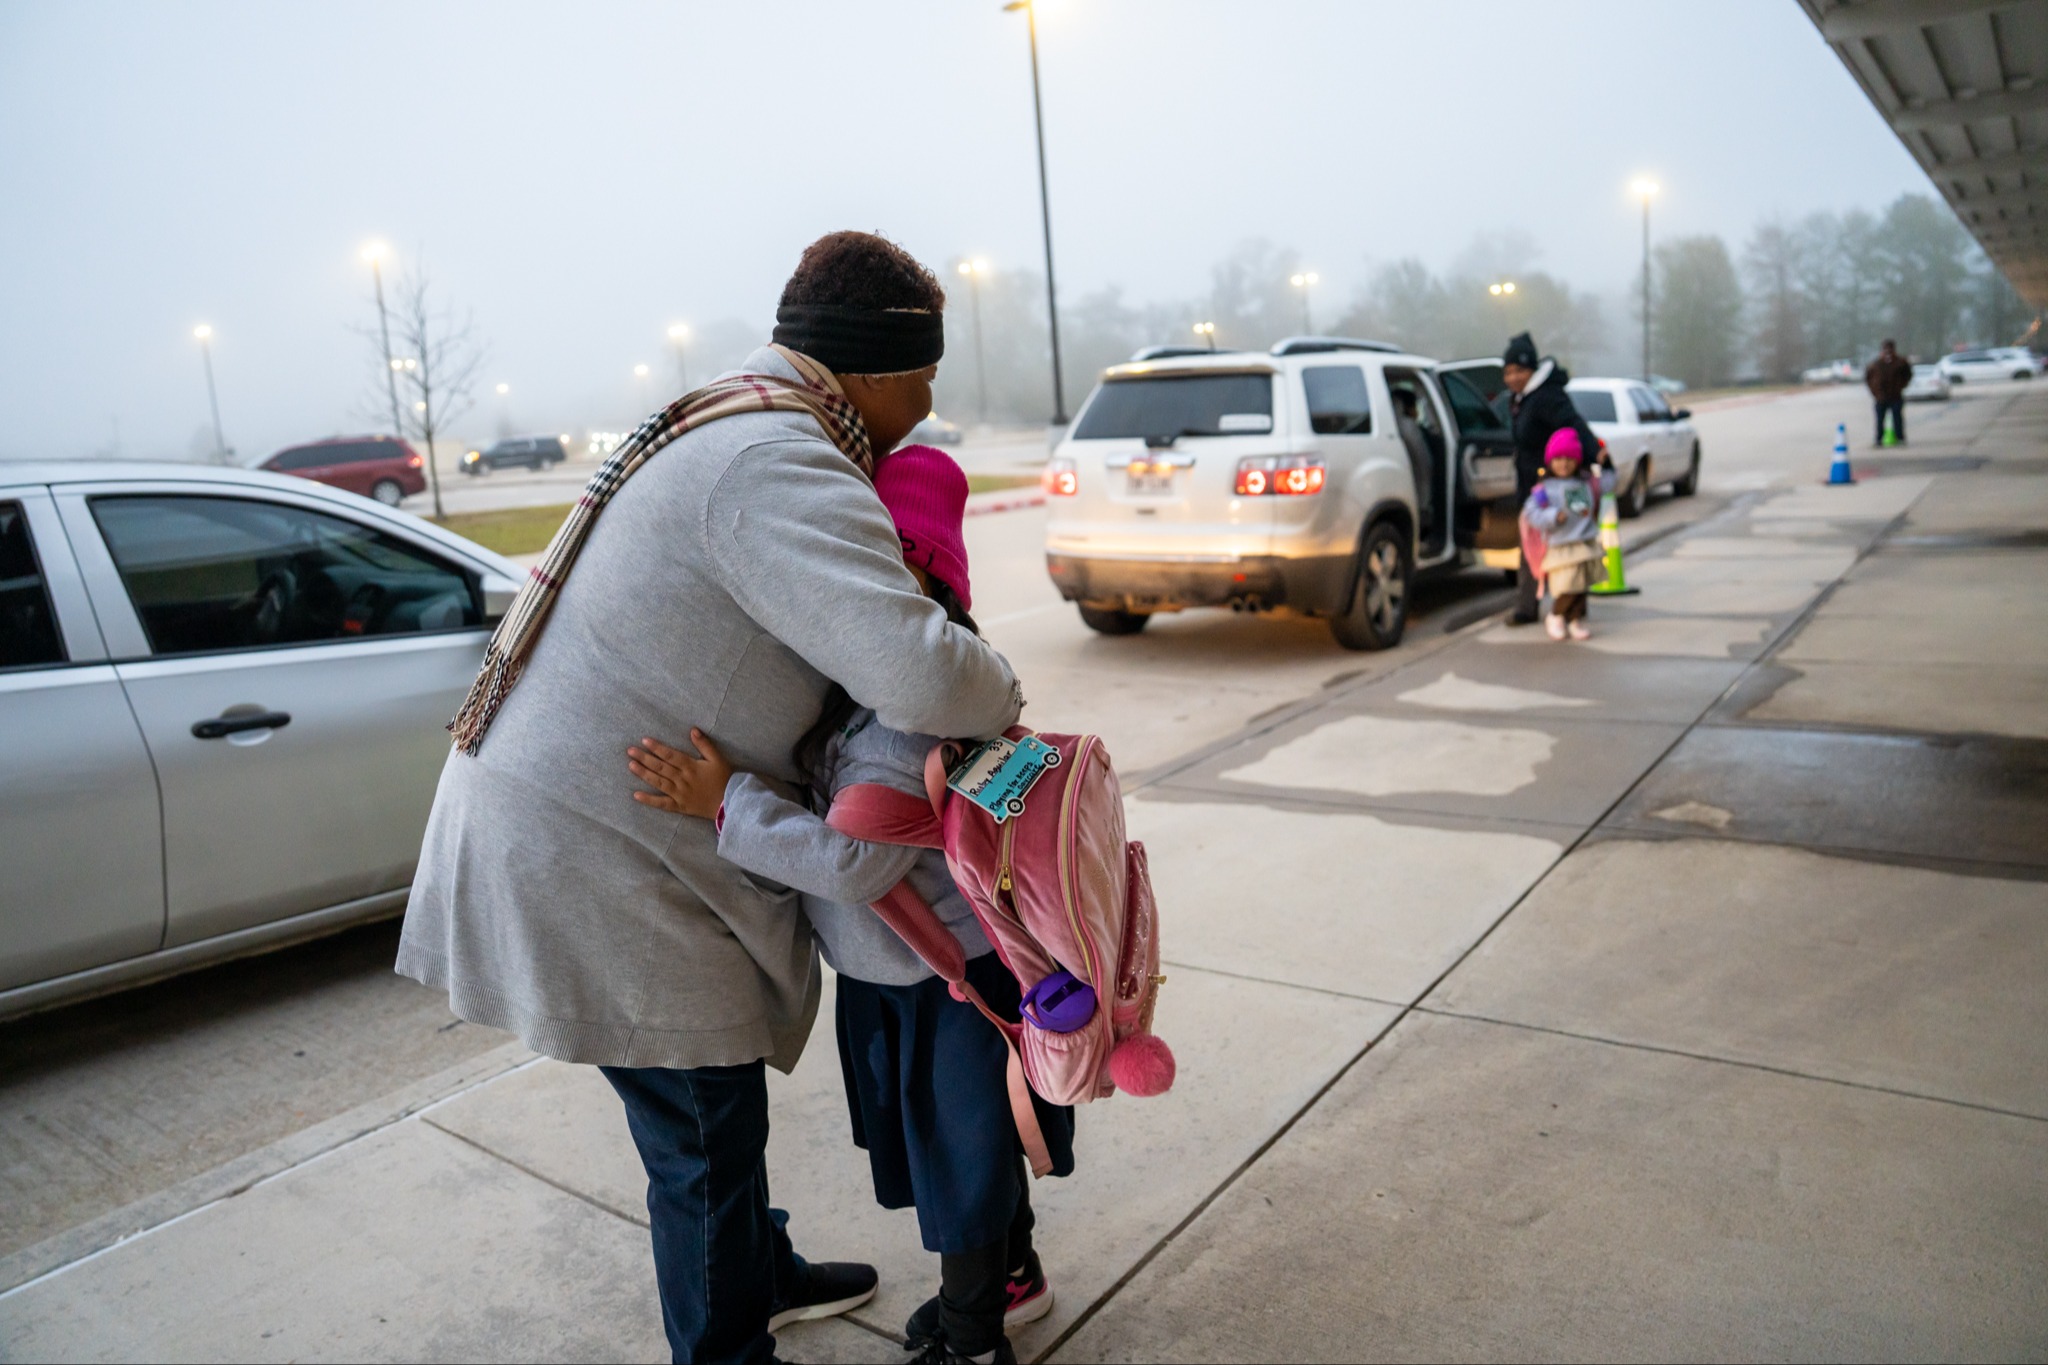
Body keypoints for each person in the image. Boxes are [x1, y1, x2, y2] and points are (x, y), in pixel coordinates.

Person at [396, 232, 1024, 1365]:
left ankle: (758, 1268)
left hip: (604, 821)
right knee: (698, 1121)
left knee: (706, 1106)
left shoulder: (731, 417)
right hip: (599, 842)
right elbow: (926, 674)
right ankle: (726, 1347)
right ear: (874, 370)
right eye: (923, 378)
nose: (928, 407)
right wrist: (1005, 682)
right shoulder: (774, 462)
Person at [624, 446, 1071, 1365]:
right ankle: (1006, 1278)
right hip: (915, 976)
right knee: (968, 1149)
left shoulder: (907, 715)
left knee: (961, 1162)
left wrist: (726, 803)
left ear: (926, 575)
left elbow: (855, 863)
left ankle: (975, 1335)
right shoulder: (878, 691)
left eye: (884, 560)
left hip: (943, 987)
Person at [1500, 332, 1603, 625]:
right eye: (1507, 372)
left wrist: (1595, 452)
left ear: (1532, 370)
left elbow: (1574, 424)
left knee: (1570, 546)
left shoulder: (1547, 396)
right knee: (1532, 544)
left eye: (1518, 370)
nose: (1512, 378)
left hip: (1559, 487)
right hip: (1535, 488)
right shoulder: (1520, 399)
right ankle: (1529, 606)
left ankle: (1571, 609)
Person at [1521, 427, 1617, 641]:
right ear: (1550, 461)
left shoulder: (1586, 483)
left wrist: (1608, 466)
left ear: (1577, 461)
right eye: (1558, 459)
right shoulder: (1544, 489)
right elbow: (1531, 512)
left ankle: (1574, 620)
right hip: (1561, 546)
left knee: (1581, 586)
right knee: (1567, 586)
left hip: (1585, 542)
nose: (1563, 464)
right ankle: (1555, 615)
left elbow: (1608, 485)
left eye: (1569, 459)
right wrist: (1553, 516)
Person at [1392, 388, 1436, 540]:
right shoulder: (1409, 427)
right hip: (1417, 487)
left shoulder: (1393, 425)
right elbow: (1424, 461)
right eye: (1414, 406)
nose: (1417, 411)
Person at [1866, 339, 1912, 447]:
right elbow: (1868, 378)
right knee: (1880, 420)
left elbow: (1908, 375)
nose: (1888, 351)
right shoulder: (1876, 364)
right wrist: (1874, 391)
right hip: (1881, 396)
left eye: (1890, 349)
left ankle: (1900, 437)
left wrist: (1901, 386)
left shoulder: (1900, 362)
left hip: (1895, 395)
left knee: (1898, 419)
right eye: (1885, 349)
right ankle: (1879, 439)